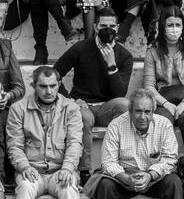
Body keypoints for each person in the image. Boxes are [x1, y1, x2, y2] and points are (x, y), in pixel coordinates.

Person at [90, 91, 184, 199]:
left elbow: (170, 159)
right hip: (124, 178)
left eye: (147, 112)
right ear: (130, 111)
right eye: (138, 111)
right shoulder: (116, 125)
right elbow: (107, 162)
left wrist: (150, 175)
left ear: (153, 112)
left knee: (174, 182)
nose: (143, 116)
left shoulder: (164, 124)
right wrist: (125, 178)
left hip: (153, 178)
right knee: (105, 186)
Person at [7, 67, 82, 199]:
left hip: (59, 170)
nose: (48, 91)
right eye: (43, 86)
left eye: (52, 86)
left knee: (70, 184)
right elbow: (14, 145)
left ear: (58, 85)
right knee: (24, 185)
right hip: (32, 170)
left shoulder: (71, 108)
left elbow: (75, 143)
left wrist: (68, 168)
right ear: (34, 86)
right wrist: (24, 166)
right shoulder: (18, 108)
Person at [56, 10, 133, 182]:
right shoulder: (81, 48)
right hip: (82, 105)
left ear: (118, 27)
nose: (108, 29)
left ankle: (118, 164)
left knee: (125, 105)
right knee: (83, 116)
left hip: (107, 107)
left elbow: (120, 93)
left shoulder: (124, 55)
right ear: (95, 27)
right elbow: (55, 73)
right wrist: (70, 99)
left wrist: (112, 65)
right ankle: (84, 172)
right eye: (103, 26)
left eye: (112, 26)